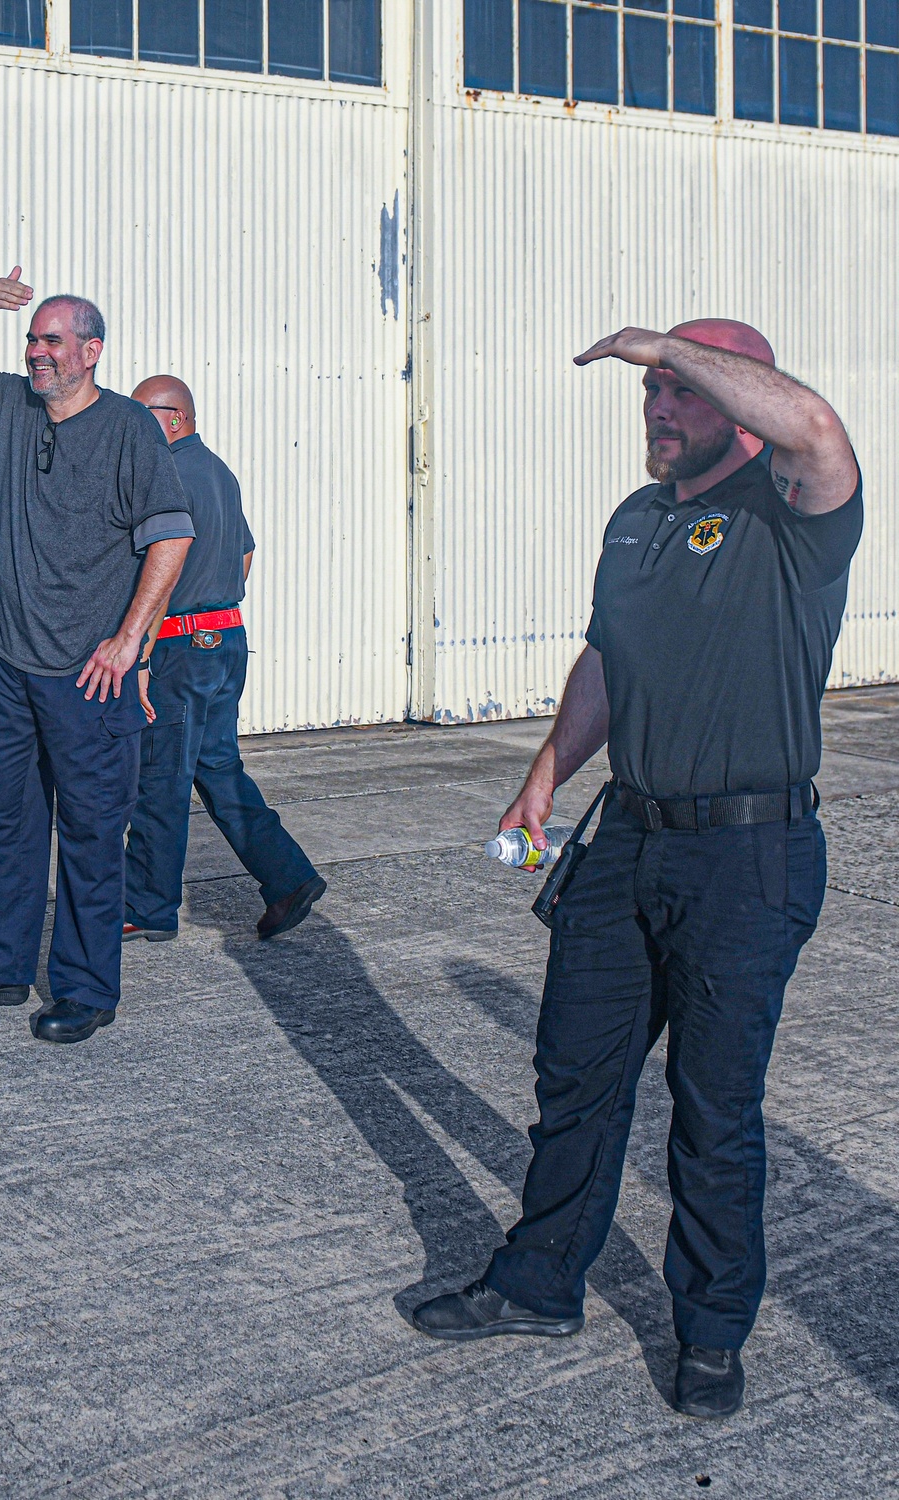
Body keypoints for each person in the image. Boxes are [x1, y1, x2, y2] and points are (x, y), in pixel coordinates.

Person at [412, 320, 862, 1420]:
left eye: (680, 392)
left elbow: (813, 424)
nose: (656, 408)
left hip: (744, 856)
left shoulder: (795, 516)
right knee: (575, 1078)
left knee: (713, 1111)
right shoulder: (633, 521)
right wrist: (545, 776)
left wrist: (657, 340)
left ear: (738, 401)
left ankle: (710, 1333)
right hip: (626, 842)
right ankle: (538, 1281)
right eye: (650, 393)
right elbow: (609, 657)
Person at [0, 268, 195, 1044]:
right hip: (6, 660)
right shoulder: (10, 407)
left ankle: (86, 987)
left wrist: (130, 639)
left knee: (94, 834)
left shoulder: (130, 427)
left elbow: (171, 534)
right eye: (33, 338)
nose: (38, 351)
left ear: (92, 351)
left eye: (54, 341)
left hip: (86, 673)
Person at [122, 376, 325, 945]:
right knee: (218, 768)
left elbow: (161, 570)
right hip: (224, 641)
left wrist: (141, 655)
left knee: (161, 778)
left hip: (177, 648)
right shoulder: (219, 471)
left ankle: (148, 907)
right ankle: (288, 877)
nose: (132, 426)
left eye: (142, 416)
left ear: (175, 418)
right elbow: (246, 552)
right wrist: (215, 602)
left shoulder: (166, 475)